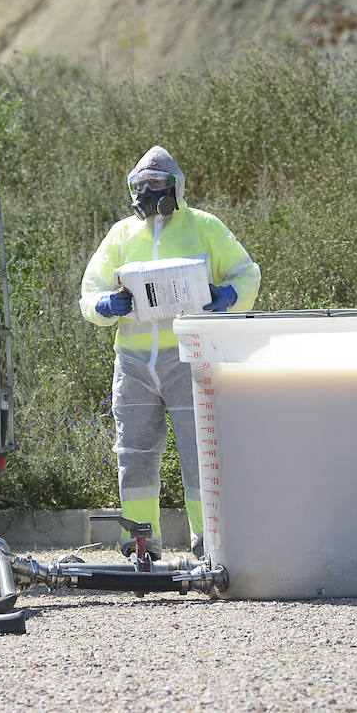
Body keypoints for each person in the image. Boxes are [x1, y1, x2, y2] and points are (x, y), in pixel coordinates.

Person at [81, 145, 260, 560]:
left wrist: (229, 295)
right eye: (141, 187)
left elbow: (246, 273)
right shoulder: (122, 235)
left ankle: (209, 542)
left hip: (191, 360)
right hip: (134, 366)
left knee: (201, 453)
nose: (148, 194)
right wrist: (107, 304)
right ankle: (140, 543)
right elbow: (89, 293)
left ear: (175, 187)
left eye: (157, 185)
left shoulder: (204, 227)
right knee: (134, 456)